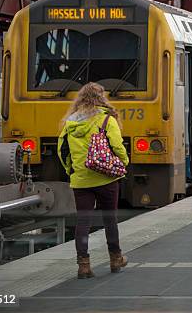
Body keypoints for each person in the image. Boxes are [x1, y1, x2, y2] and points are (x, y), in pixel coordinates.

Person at [57, 82, 130, 279]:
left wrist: (72, 170)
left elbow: (62, 151)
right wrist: (123, 162)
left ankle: (83, 265)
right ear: (102, 98)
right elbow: (117, 146)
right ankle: (116, 259)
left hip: (81, 180)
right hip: (106, 178)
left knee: (83, 221)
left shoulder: (70, 123)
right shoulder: (107, 120)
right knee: (110, 219)